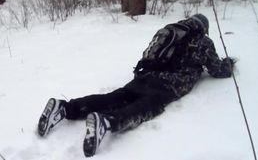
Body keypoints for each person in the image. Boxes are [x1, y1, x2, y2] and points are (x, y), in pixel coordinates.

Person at [37, 14, 235, 157]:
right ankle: (108, 122)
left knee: (114, 98)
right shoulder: (202, 41)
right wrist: (229, 63)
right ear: (203, 28)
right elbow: (219, 71)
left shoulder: (171, 31)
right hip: (168, 86)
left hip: (144, 76)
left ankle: (64, 108)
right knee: (146, 106)